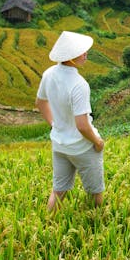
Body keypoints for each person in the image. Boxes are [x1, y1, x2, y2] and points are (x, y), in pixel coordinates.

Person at [36, 31, 105, 211]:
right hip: (82, 147)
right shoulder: (79, 84)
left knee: (58, 191)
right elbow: (82, 126)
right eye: (81, 52)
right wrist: (97, 142)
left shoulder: (48, 74)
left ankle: (47, 225)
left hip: (59, 145)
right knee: (95, 192)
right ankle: (96, 225)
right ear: (71, 57)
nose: (85, 54)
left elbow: (40, 102)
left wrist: (54, 124)